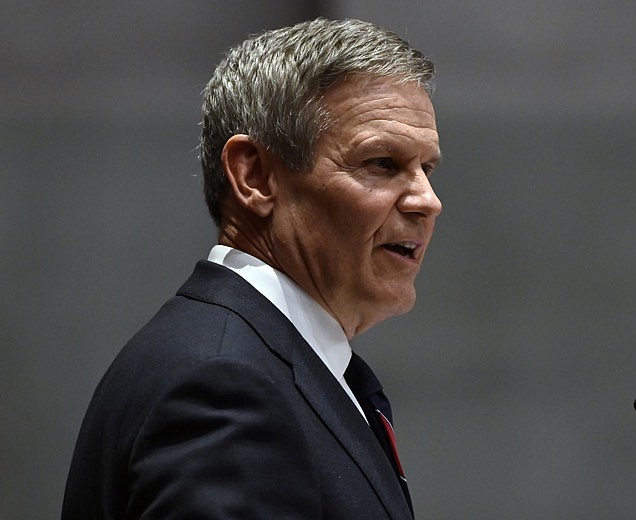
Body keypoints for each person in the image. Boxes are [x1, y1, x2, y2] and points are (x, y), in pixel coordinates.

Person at [62, 17, 442, 520]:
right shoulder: (224, 383)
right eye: (382, 163)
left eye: (427, 169)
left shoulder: (256, 360)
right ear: (255, 176)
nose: (427, 201)